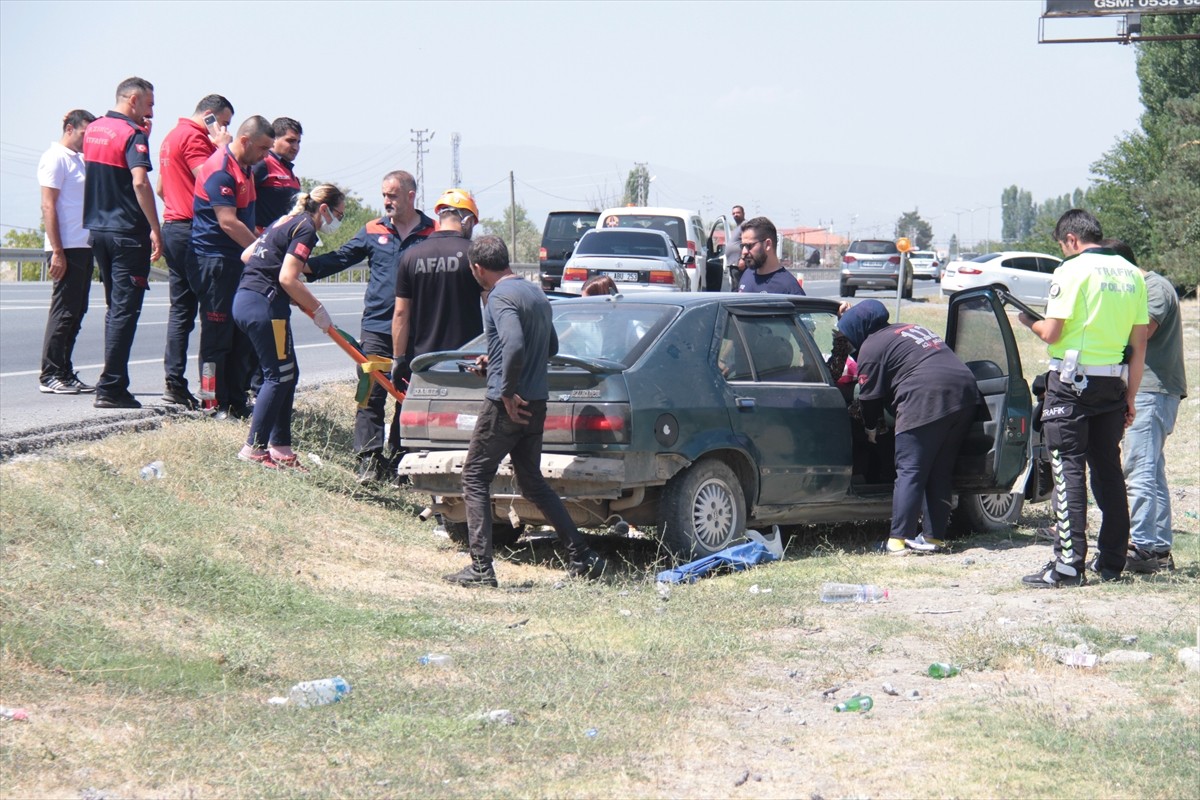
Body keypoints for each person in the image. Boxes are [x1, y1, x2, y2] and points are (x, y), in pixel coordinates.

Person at [446, 235, 607, 587]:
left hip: (508, 406)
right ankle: (582, 555)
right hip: (536, 402)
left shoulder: (499, 296)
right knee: (532, 482)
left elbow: (517, 345)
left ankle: (481, 569)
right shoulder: (535, 293)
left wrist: (505, 390)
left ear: (477, 268)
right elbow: (548, 345)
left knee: (474, 476)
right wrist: (496, 361)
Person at [1017, 210, 1148, 588]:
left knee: (1067, 468)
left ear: (1071, 240)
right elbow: (1139, 346)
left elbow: (1052, 333)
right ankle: (1111, 561)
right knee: (1108, 470)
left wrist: (1030, 321)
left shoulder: (1071, 270)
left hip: (1071, 383)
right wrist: (1131, 398)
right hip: (1113, 384)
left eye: (1063, 245)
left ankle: (1068, 565)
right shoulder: (1131, 274)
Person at [307, 171, 435, 482]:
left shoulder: (433, 232)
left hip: (419, 331)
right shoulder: (373, 229)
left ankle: (402, 459)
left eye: (392, 195)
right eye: (384, 195)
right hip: (377, 328)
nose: (387, 201)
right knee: (370, 393)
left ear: (410, 195)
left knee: (411, 395)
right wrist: (304, 267)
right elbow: (341, 258)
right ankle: (368, 459)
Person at [838, 299, 980, 555]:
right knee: (939, 469)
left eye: (848, 335)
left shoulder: (871, 346)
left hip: (925, 398)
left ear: (860, 330)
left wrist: (871, 430)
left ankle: (897, 540)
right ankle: (933, 538)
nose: (848, 342)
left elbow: (869, 399)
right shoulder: (909, 328)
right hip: (965, 393)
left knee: (910, 470)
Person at [232, 184, 345, 469]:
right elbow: (287, 278)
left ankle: (280, 447)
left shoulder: (284, 220)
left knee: (287, 373)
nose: (338, 222)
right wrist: (317, 308)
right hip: (266, 309)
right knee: (278, 376)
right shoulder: (306, 227)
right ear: (323, 209)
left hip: (247, 300)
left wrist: (289, 293)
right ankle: (254, 448)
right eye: (338, 214)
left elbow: (248, 256)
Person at [1101, 240, 1186, 574]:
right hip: (1151, 389)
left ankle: (1143, 547)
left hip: (1153, 390)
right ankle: (1159, 548)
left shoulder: (1154, 289)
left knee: (1139, 469)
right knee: (1151, 469)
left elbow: (1142, 333)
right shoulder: (1143, 288)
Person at [82, 77, 162, 409]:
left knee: (115, 309)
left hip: (97, 230)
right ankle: (111, 386)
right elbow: (140, 182)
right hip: (127, 232)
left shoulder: (94, 129)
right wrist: (155, 228)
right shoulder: (133, 134)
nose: (152, 110)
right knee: (125, 312)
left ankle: (113, 381)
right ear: (132, 100)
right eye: (149, 104)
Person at [192, 115, 276, 419]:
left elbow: (248, 219)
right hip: (216, 261)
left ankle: (236, 400)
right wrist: (261, 253)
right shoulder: (220, 170)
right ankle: (211, 403)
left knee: (242, 333)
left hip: (239, 259)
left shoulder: (246, 169)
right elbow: (228, 221)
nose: (266, 156)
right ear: (244, 141)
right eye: (263, 148)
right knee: (217, 337)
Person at [157, 94, 234, 408]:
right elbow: (209, 177)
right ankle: (210, 393)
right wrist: (222, 147)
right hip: (193, 229)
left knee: (181, 310)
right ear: (209, 116)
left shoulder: (171, 135)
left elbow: (161, 188)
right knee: (212, 313)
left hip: (173, 225)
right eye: (223, 122)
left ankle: (174, 381)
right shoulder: (194, 137)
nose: (225, 128)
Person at [37, 109, 97, 395]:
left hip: (83, 246)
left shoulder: (81, 160)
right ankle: (49, 374)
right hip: (66, 247)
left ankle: (64, 370)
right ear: (70, 129)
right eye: (86, 133)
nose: (88, 139)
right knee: (63, 311)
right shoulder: (55, 157)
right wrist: (57, 251)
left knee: (77, 310)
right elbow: (48, 206)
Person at [251, 117, 302, 231]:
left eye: (298, 142)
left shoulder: (288, 169)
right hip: (260, 239)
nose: (296, 147)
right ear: (273, 139)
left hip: (281, 240)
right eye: (290, 141)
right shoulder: (263, 163)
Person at [737, 217, 805, 295]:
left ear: (768, 244)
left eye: (749, 246)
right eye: (743, 246)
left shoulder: (789, 288)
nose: (744, 252)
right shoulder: (747, 275)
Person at [725, 204, 746, 277]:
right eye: (733, 213)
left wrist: (742, 259)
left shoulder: (745, 225)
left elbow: (746, 244)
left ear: (743, 213)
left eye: (738, 213)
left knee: (738, 287)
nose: (735, 215)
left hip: (739, 263)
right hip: (734, 264)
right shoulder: (737, 227)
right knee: (735, 286)